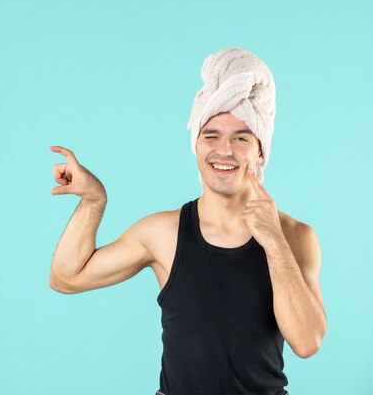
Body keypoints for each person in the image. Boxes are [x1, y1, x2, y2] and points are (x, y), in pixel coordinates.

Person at [48, 48, 327, 395]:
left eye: (241, 137)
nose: (224, 150)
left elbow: (307, 342)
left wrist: (273, 241)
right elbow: (65, 278)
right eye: (211, 135)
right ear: (196, 144)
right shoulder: (163, 233)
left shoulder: (296, 237)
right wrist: (94, 201)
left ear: (260, 152)